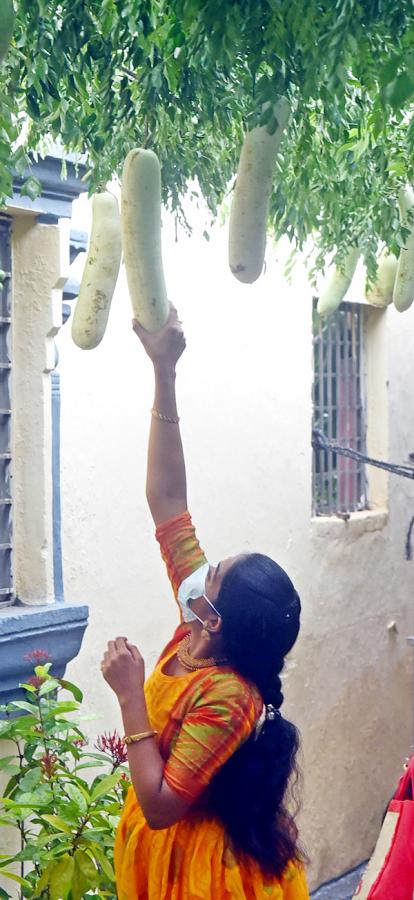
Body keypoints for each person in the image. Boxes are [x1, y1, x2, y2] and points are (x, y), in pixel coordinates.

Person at [100, 305, 309, 899]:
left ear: (214, 619)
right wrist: (164, 369)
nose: (201, 570)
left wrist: (130, 697)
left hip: (202, 878)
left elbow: (163, 805)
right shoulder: (201, 627)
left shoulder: (228, 697)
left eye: (211, 574)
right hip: (161, 861)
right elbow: (167, 498)